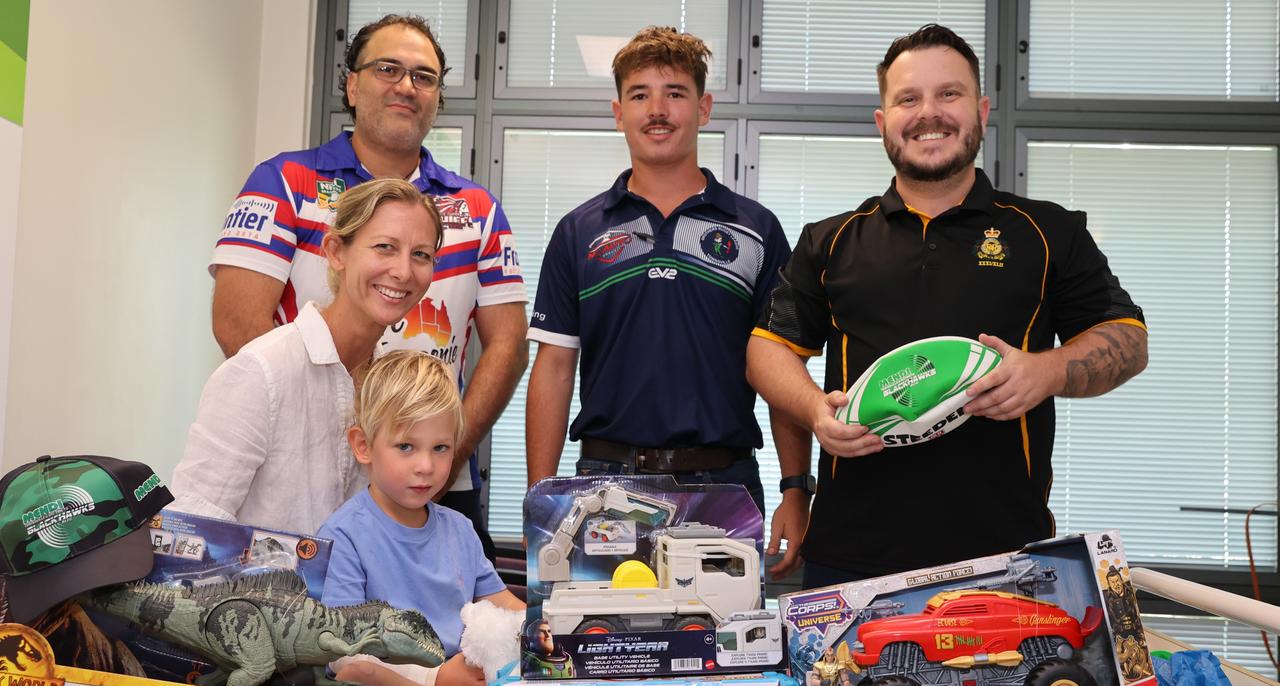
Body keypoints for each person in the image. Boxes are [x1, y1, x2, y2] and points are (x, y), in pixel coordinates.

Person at [746, 25, 1148, 589]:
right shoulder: (830, 240)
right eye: (908, 98)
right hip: (850, 560)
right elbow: (767, 349)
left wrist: (1046, 370)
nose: (929, 113)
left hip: (1006, 560)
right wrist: (815, 409)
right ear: (882, 122)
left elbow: (1128, 339)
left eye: (949, 94)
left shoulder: (1047, 231)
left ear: (981, 109)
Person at [210, 14, 526, 558]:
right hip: (309, 472)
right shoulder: (284, 182)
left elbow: (509, 344)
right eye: (388, 69)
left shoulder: (477, 208)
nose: (407, 86)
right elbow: (238, 325)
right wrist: (338, 442)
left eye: (424, 77)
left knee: (449, 636)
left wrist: (443, 452)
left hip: (436, 485)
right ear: (352, 85)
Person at [525, 27, 810, 559]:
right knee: (604, 640)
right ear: (618, 111)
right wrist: (541, 499)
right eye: (640, 95)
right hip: (603, 485)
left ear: (703, 108)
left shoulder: (757, 229)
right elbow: (555, 367)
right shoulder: (578, 231)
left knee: (723, 643)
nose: (657, 109)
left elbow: (782, 367)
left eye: (675, 93)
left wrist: (796, 489)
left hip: (725, 489)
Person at [171, 178, 442, 534]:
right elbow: (187, 532)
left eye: (420, 254)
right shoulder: (261, 372)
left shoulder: (392, 386)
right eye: (385, 247)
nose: (404, 271)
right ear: (335, 252)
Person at [317, 350, 524, 686]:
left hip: (463, 681)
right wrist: (436, 678)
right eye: (406, 447)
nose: (426, 466)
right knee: (356, 669)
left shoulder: (460, 530)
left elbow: (505, 604)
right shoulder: (343, 536)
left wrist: (546, 628)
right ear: (363, 446)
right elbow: (341, 654)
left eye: (440, 447)